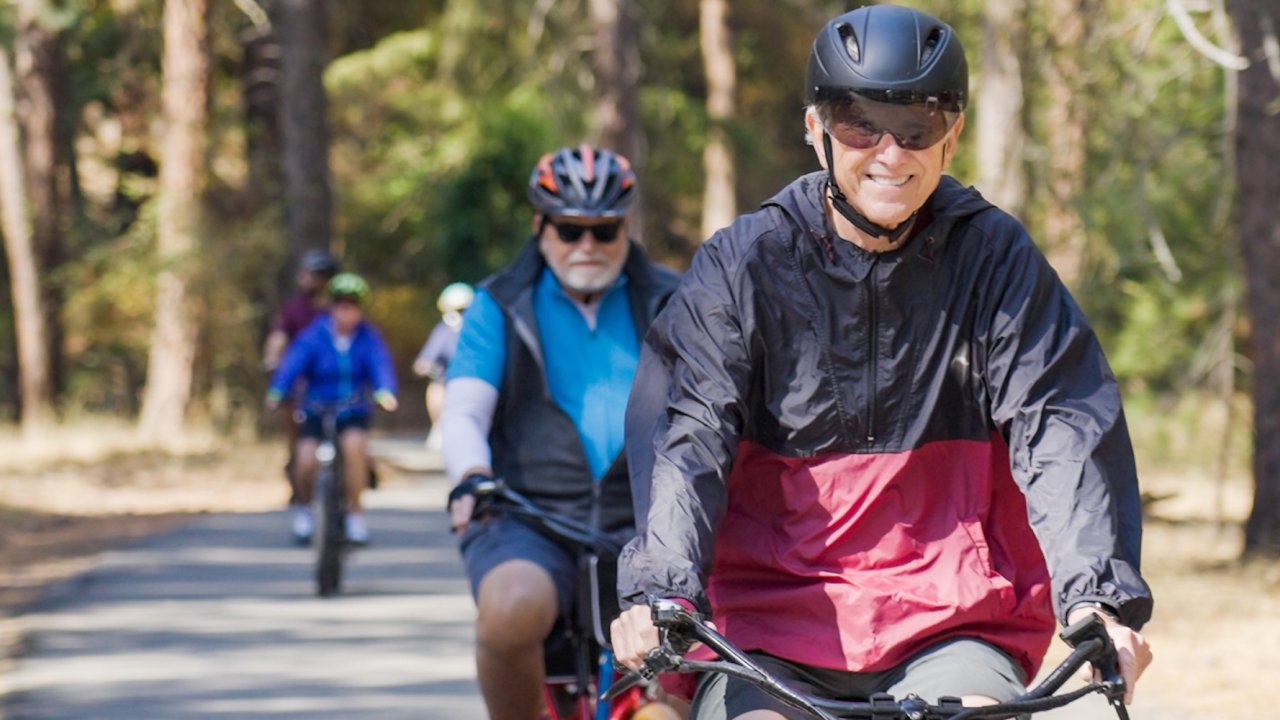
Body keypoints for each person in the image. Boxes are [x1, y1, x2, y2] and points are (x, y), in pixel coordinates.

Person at [610, 6, 1154, 720]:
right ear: (816, 129)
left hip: (949, 620)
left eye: (918, 127)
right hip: (769, 630)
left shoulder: (995, 261)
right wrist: (664, 587)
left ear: (951, 137)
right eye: (859, 123)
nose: (890, 153)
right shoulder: (744, 264)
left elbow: (1060, 426)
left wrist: (1097, 597)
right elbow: (689, 434)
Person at [440, 144, 680, 720]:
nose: (588, 247)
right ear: (539, 226)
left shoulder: (673, 299)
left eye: (605, 231)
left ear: (627, 228)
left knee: (684, 655)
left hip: (645, 524)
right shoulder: (499, 303)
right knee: (509, 609)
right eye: (570, 230)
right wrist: (470, 476)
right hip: (529, 516)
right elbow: (465, 411)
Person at [266, 272, 399, 546]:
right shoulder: (315, 335)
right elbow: (293, 363)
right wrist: (278, 390)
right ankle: (305, 510)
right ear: (333, 306)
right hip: (316, 406)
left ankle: (355, 516)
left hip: (352, 410)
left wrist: (385, 391)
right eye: (340, 303)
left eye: (352, 304)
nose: (346, 310)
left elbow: (380, 366)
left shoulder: (368, 338)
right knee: (304, 459)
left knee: (355, 449)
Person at [262, 249, 341, 507]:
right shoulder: (295, 309)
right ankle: (300, 485)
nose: (308, 280)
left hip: (335, 385)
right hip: (300, 386)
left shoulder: (339, 309)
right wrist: (273, 360)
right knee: (297, 437)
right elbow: (279, 337)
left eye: (315, 275)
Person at [413, 282, 475, 452]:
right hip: (446, 379)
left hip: (471, 380)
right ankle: (439, 427)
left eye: (463, 309)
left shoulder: (477, 331)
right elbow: (426, 358)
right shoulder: (444, 330)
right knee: (436, 389)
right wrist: (425, 366)